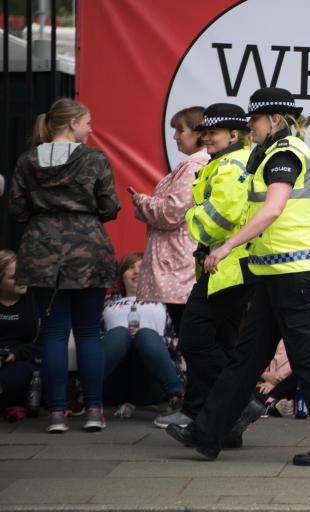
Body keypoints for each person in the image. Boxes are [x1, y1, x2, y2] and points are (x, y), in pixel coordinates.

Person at [166, 87, 310, 466]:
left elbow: (272, 210)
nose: (249, 126)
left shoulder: (284, 154)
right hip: (277, 270)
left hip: (292, 272)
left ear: (276, 121)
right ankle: (208, 433)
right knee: (247, 357)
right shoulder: (276, 152)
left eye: (254, 120)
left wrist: (226, 246)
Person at [10, 98, 120, 433]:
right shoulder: (94, 158)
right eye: (87, 122)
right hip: (87, 247)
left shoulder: (27, 160)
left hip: (41, 248)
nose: (90, 129)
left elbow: (17, 210)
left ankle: (57, 413)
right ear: (72, 124)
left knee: (54, 333)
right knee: (88, 331)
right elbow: (109, 206)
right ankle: (94, 410)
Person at [155, 104, 255, 431]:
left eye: (213, 133)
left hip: (225, 269)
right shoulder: (227, 161)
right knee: (224, 343)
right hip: (226, 268)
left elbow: (215, 223)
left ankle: (242, 400)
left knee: (194, 340)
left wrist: (190, 218)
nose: (206, 138)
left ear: (234, 135)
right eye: (204, 132)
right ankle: (228, 427)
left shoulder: (230, 165)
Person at [129, 106, 208, 335]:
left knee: (191, 337)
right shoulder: (193, 166)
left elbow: (171, 213)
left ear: (199, 133)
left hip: (180, 264)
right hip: (180, 263)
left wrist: (141, 202)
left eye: (180, 130)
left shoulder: (194, 167)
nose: (175, 136)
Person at [101, 252, 184, 414]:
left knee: (145, 334)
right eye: (130, 268)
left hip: (151, 380)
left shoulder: (165, 301)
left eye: (142, 267)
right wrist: (124, 337)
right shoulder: (106, 301)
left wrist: (147, 338)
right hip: (111, 381)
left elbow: (179, 342)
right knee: (120, 334)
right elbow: (92, 339)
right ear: (121, 275)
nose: (137, 271)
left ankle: (177, 396)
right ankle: (84, 394)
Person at [0, 250, 40, 422]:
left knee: (15, 376)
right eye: (13, 277)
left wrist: (15, 354)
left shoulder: (35, 301)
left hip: (24, 359)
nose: (22, 280)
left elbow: (45, 342)